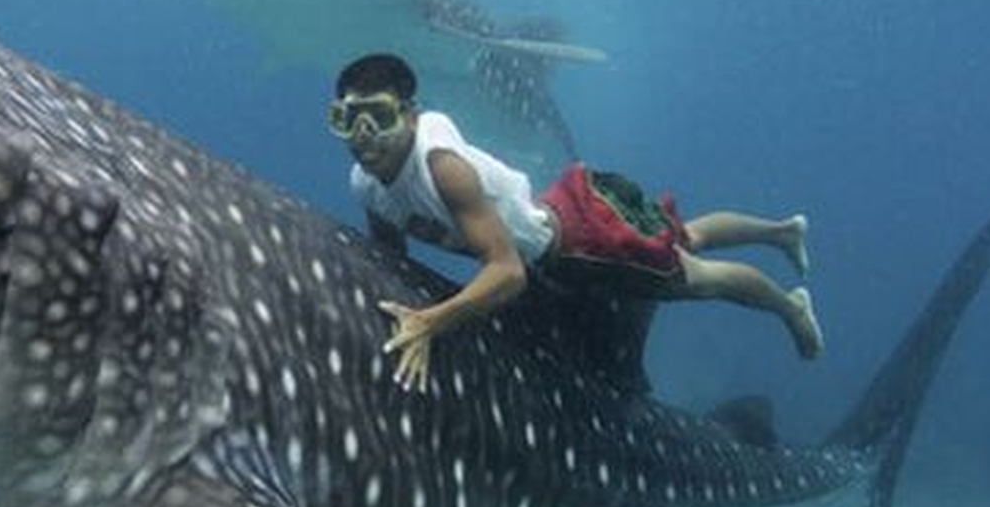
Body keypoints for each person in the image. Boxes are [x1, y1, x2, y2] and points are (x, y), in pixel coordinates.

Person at [330, 52, 820, 392]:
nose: (363, 135)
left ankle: (790, 306)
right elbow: (391, 259)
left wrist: (430, 321)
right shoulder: (366, 184)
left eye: (378, 117)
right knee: (685, 236)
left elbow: (508, 273)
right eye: (348, 119)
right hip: (551, 218)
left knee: (699, 279)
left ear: (410, 115)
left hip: (585, 244)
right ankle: (782, 232)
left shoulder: (442, 168)